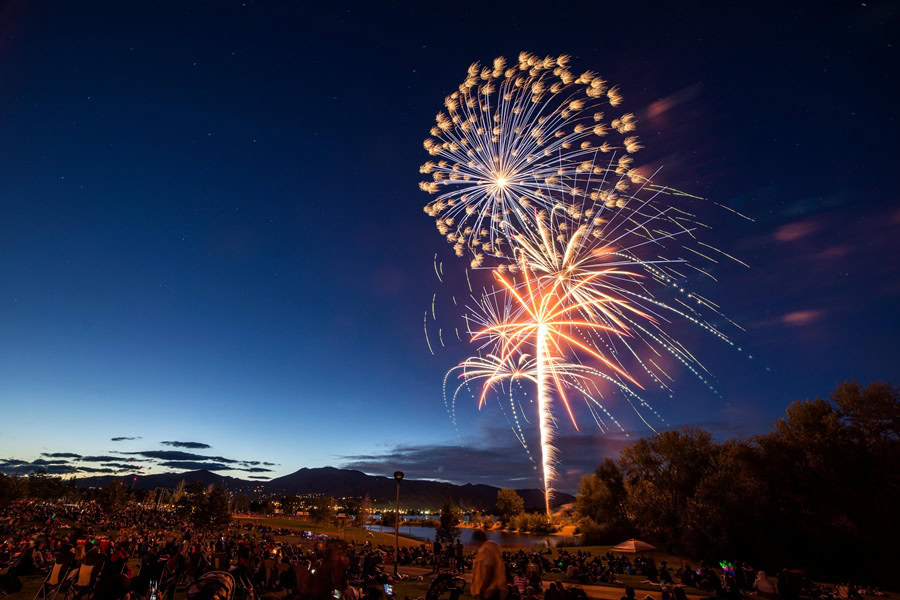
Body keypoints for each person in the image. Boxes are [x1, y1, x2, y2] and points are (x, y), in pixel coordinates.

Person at [471, 529, 506, 600]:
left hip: (489, 590)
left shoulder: (488, 548)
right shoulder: (486, 548)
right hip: (488, 589)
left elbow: (489, 569)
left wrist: (482, 589)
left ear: (479, 539)